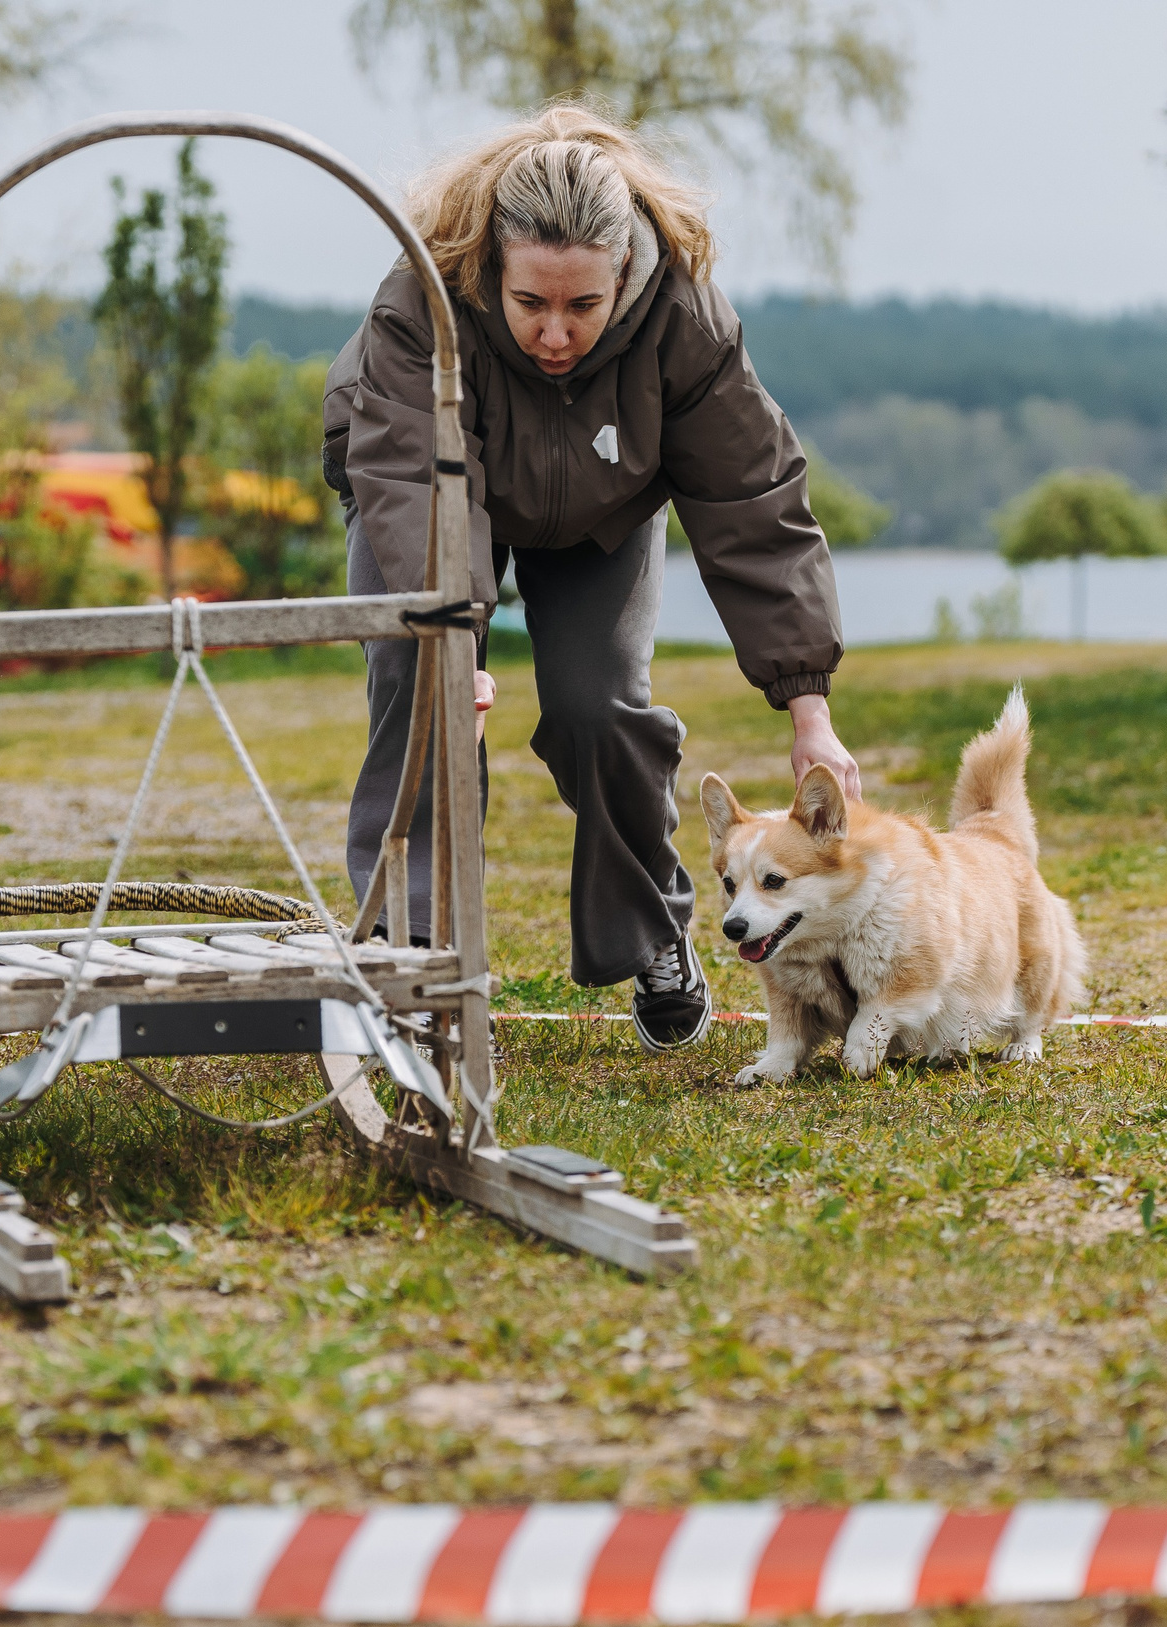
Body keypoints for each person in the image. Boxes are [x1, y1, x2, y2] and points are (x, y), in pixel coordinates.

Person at [322, 103, 856, 1052]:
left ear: (626, 274)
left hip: (603, 508)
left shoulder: (685, 316)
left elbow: (753, 501)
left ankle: (652, 934)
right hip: (426, 492)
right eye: (531, 305)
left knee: (600, 707)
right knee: (423, 689)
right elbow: (409, 480)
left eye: (582, 307)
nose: (556, 334)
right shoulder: (420, 300)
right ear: (492, 273)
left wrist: (807, 703)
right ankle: (409, 954)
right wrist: (455, 634)